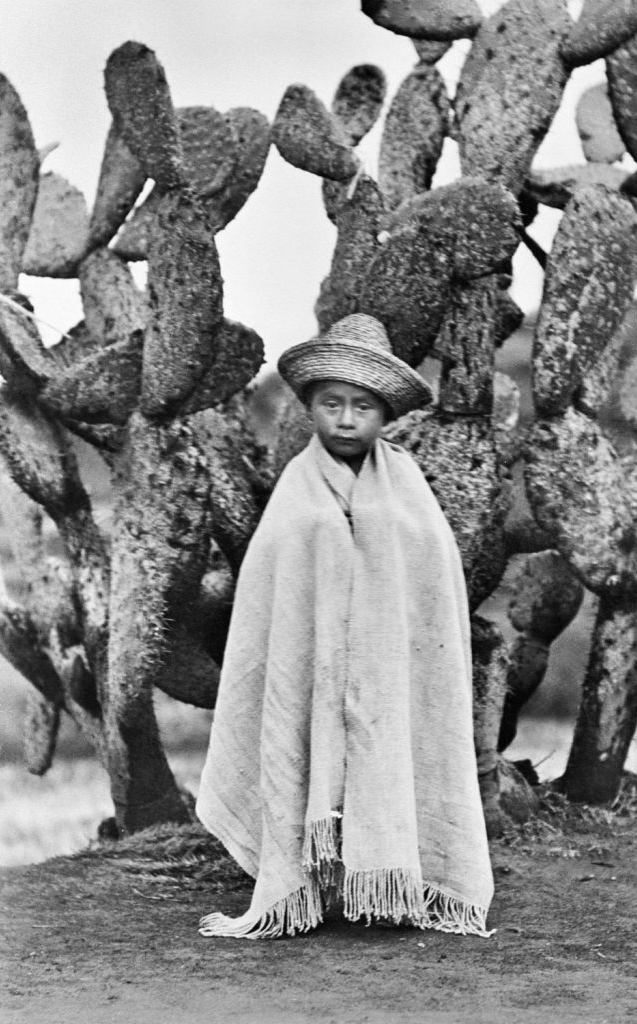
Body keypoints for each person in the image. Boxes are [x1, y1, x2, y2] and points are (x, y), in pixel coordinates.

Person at [196, 313, 494, 939]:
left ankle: (395, 877)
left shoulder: (408, 486)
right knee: (304, 740)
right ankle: (304, 883)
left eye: (363, 406)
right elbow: (270, 604)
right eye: (332, 403)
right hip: (315, 669)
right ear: (310, 408)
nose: (347, 419)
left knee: (390, 744)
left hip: (388, 672)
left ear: (385, 414)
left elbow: (432, 590)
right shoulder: (296, 495)